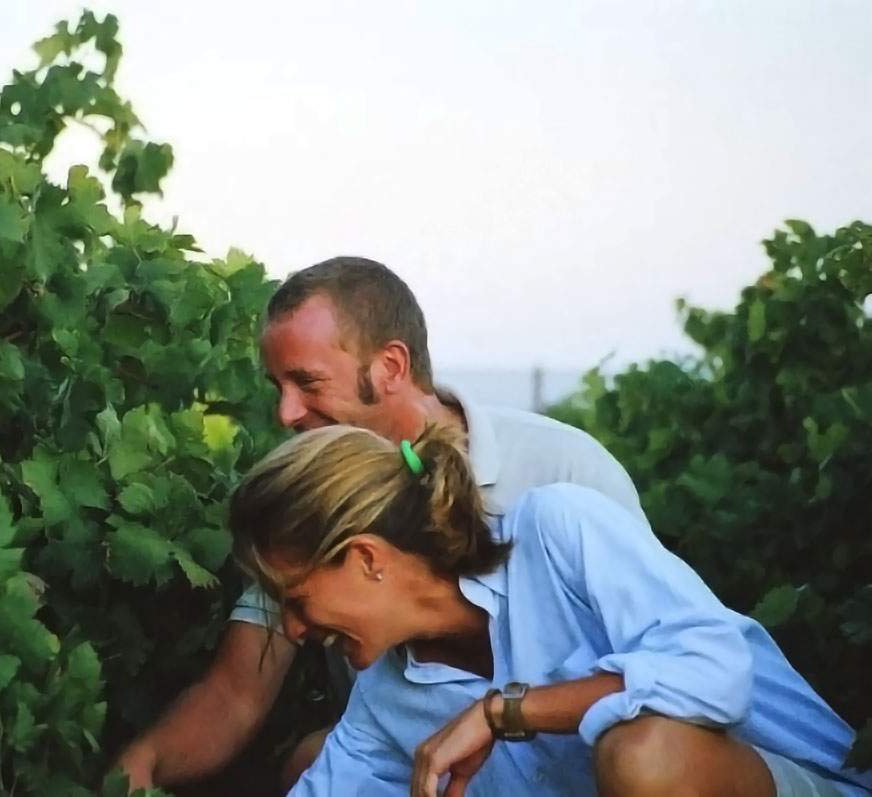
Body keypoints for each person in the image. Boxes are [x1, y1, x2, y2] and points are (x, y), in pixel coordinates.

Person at [115, 256, 647, 790]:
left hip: (586, 746)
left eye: (307, 382)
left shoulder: (563, 475)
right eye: (277, 387)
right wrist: (136, 773)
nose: (286, 413)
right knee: (314, 759)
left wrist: (504, 713)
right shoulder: (314, 504)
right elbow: (234, 694)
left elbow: (671, 661)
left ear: (391, 367)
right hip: (429, 758)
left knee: (642, 747)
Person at [228, 423, 872, 797]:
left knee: (644, 754)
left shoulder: (558, 530)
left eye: (297, 598)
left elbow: (715, 674)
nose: (291, 629)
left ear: (367, 558)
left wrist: (504, 712)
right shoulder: (384, 697)